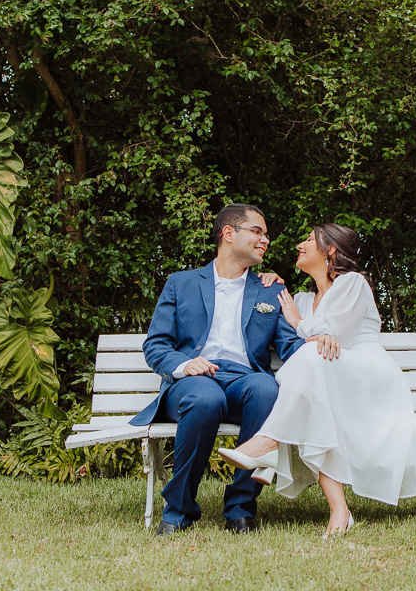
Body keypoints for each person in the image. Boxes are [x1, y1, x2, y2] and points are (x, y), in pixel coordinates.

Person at [219, 223, 416, 538]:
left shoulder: (353, 283)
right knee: (318, 409)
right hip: (330, 381)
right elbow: (300, 341)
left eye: (309, 239)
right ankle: (340, 511)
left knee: (314, 357)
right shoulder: (296, 298)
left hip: (368, 379)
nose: (300, 244)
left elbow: (332, 339)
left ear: (331, 250)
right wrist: (267, 282)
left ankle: (269, 441)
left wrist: (298, 323)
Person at [132, 204, 340, 536]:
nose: (265, 240)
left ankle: (241, 508)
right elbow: (156, 345)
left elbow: (289, 345)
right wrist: (185, 365)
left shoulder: (269, 289)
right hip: (193, 382)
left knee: (266, 388)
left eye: (266, 234)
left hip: (244, 381)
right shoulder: (181, 283)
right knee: (204, 398)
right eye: (257, 231)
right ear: (229, 234)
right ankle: (178, 510)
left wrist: (319, 340)